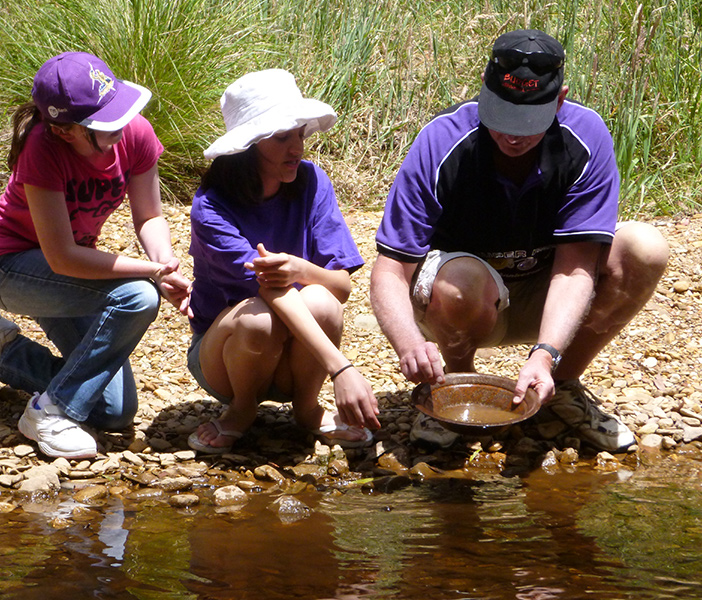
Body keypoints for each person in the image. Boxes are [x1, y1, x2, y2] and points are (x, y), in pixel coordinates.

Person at [370, 29, 669, 452]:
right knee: (461, 281)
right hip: (461, 302)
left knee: (645, 248)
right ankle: (456, 387)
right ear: (484, 92)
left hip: (548, 297)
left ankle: (561, 384)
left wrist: (545, 354)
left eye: (527, 123)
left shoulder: (585, 137)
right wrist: (408, 344)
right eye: (502, 118)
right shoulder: (441, 141)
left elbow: (576, 267)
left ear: (560, 100)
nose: (513, 136)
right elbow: (389, 270)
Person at [0, 52, 192, 459]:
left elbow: (150, 214)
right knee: (137, 296)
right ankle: (49, 411)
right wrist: (153, 273)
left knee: (113, 411)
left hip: (65, 273)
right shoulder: (42, 148)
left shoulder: (134, 133)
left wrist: (166, 261)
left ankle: (4, 354)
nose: (121, 126)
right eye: (106, 124)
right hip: (10, 267)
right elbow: (63, 258)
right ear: (65, 130)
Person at [186, 69, 380, 454]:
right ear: (248, 147)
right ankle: (241, 410)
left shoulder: (312, 182)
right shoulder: (211, 207)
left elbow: (342, 287)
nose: (297, 148)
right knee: (259, 316)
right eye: (281, 137)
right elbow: (270, 291)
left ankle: (307, 408)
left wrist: (301, 269)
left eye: (299, 134)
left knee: (322, 300)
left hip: (296, 359)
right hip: (228, 359)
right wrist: (341, 367)